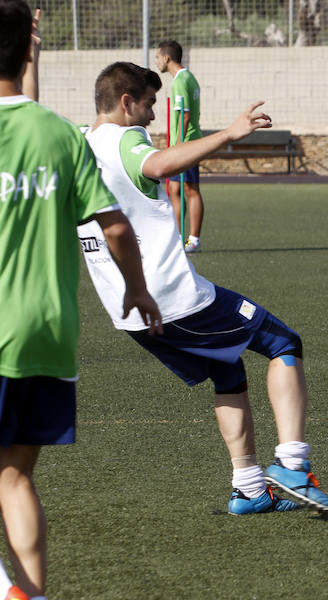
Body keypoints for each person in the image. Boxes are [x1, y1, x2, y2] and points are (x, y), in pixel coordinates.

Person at [76, 61, 328, 516]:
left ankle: (250, 489)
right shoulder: (125, 138)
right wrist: (228, 134)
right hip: (171, 297)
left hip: (128, 311)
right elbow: (157, 163)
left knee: (229, 371)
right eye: (149, 105)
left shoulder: (78, 145)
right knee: (282, 342)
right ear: (125, 102)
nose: (153, 117)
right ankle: (293, 465)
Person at [0, 2, 162, 597]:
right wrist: (138, 289)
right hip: (49, 333)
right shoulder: (61, 136)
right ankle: (31, 593)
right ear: (26, 54)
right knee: (14, 475)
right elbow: (116, 227)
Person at [155, 40, 204, 253]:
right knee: (174, 188)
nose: (156, 62)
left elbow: (184, 116)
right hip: (185, 142)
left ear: (166, 58)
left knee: (190, 189)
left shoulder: (181, 81)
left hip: (187, 142)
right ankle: (176, 237)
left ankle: (193, 239)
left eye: (157, 57)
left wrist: (177, 146)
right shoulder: (186, 78)